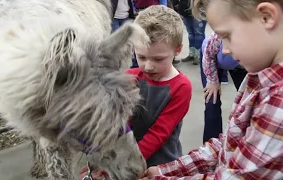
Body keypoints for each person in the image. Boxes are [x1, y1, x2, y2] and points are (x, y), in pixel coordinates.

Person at [140, 0, 283, 179]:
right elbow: (231, 142)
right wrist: (166, 171)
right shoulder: (258, 75)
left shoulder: (278, 100)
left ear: (266, 17)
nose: (225, 49)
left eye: (227, 36)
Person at [79, 5, 192, 179]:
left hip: (160, 163)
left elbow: (159, 133)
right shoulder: (130, 77)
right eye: (142, 57)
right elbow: (120, 123)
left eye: (158, 59)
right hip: (128, 158)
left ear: (177, 50)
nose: (148, 65)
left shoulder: (181, 87)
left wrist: (129, 163)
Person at [200, 32, 247, 143]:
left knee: (247, 101)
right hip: (211, 61)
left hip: (238, 65)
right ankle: (211, 143)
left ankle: (244, 140)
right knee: (212, 101)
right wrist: (213, 81)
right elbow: (208, 55)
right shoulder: (217, 37)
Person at [178, 0, 206, 65]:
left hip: (199, 10)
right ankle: (192, 54)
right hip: (185, 10)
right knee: (190, 34)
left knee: (199, 34)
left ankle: (198, 56)